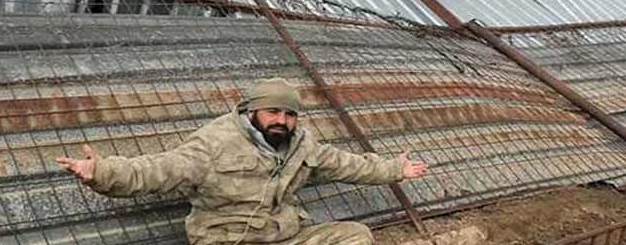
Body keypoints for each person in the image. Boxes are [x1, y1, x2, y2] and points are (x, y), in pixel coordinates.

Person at [57, 78, 429, 244]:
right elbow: (158, 170)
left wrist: (396, 169)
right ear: (251, 111)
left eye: (289, 114)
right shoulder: (214, 141)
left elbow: (348, 165)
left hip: (282, 237)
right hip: (227, 240)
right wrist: (101, 172)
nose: (281, 120)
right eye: (272, 112)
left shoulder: (302, 143)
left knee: (355, 236)